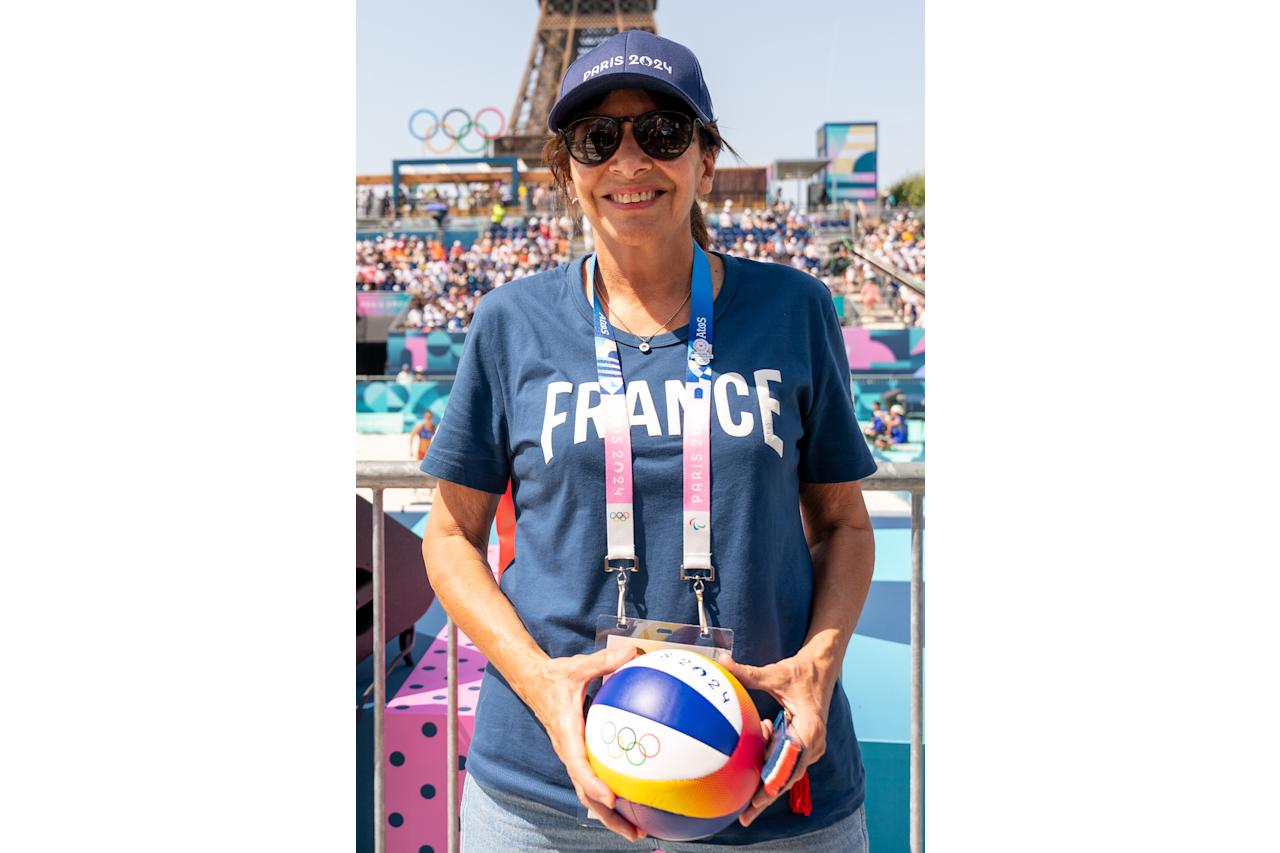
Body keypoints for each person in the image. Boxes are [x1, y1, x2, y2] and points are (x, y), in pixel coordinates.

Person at [420, 30, 875, 852]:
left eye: (663, 133)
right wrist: (542, 683)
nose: (630, 161)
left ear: (705, 161)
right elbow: (451, 535)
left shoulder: (795, 309)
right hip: (547, 787)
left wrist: (819, 664)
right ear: (567, 171)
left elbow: (843, 522)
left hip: (767, 772)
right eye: (598, 139)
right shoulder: (510, 321)